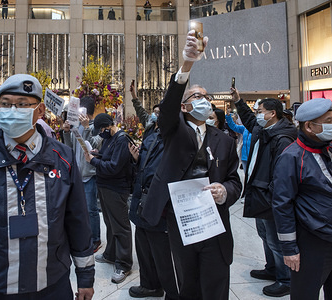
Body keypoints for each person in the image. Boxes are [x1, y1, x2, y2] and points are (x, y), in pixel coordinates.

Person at [0, 74, 95, 299]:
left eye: (22, 105)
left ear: (40, 110)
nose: (12, 111)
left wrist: (85, 276)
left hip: (52, 284)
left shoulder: (63, 158)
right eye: (5, 104)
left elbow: (78, 220)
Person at [141, 31, 242, 300]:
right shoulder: (174, 130)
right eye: (196, 96)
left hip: (214, 223)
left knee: (216, 283)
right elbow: (169, 106)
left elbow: (235, 180)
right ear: (185, 107)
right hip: (180, 221)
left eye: (205, 97)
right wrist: (186, 66)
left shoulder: (224, 140)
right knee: (186, 285)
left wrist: (226, 191)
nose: (203, 100)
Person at [230, 89, 297, 297]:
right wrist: (239, 101)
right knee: (264, 234)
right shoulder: (264, 129)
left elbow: (282, 175)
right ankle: (272, 268)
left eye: (260, 111)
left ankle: (285, 279)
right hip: (260, 192)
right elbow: (249, 120)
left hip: (271, 197)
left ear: (272, 114)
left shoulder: (282, 138)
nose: (257, 114)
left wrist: (273, 197)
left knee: (275, 239)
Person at [272, 98, 332, 300]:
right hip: (311, 241)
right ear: (309, 126)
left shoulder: (328, 148)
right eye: (329, 121)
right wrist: (289, 249)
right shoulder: (291, 157)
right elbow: (282, 205)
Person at [127, 82, 179, 299]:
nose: (156, 116)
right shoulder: (151, 130)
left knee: (161, 251)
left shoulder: (174, 135)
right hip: (141, 198)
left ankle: (171, 291)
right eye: (155, 113)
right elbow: (141, 113)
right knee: (143, 246)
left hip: (159, 202)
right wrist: (138, 159)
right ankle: (150, 285)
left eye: (160, 113)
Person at [84, 113, 134, 284]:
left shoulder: (121, 139)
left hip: (116, 187)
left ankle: (124, 264)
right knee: (110, 223)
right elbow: (109, 158)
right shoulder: (109, 139)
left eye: (102, 130)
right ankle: (111, 254)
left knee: (120, 226)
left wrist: (93, 161)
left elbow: (114, 167)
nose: (101, 133)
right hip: (105, 186)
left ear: (109, 125)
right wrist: (98, 154)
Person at [62, 96, 103, 253]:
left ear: (88, 111)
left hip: (90, 174)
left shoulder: (97, 127)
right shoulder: (75, 126)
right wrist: (66, 132)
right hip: (77, 173)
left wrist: (86, 128)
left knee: (91, 209)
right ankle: (84, 235)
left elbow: (92, 148)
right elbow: (69, 147)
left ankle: (95, 239)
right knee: (80, 208)